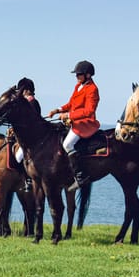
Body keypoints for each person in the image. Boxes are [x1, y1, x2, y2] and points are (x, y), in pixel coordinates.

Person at [48, 60, 100, 190]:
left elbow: (89, 111)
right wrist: (58, 110)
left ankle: (80, 176)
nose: (76, 77)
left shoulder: (92, 89)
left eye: (79, 74)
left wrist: (68, 115)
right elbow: (71, 104)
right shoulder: (78, 86)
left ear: (87, 75)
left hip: (86, 123)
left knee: (67, 144)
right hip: (75, 120)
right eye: (76, 74)